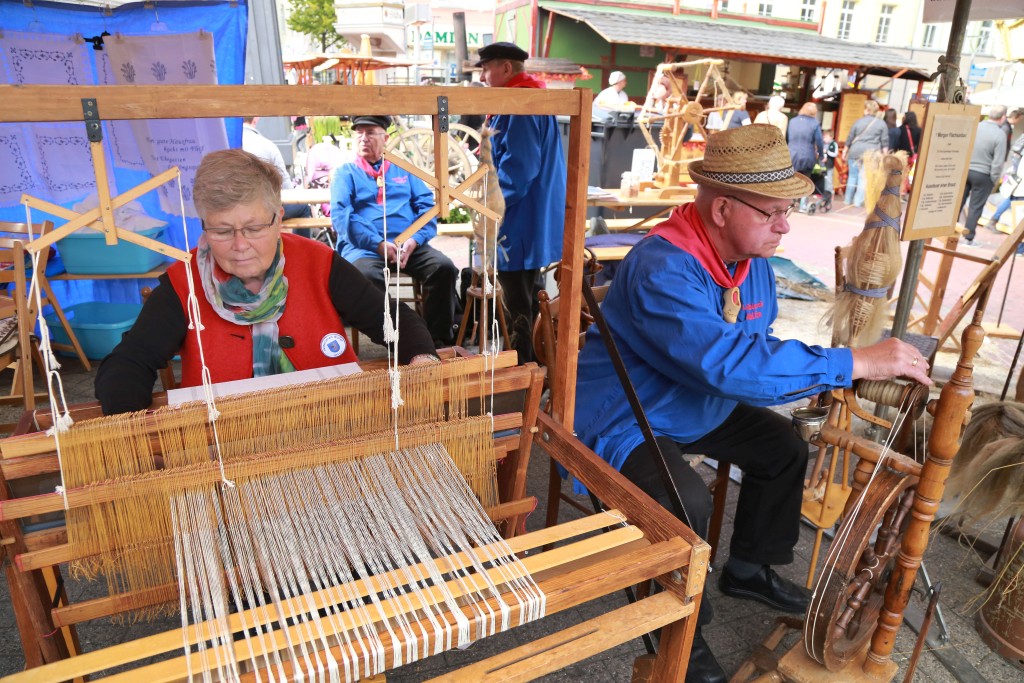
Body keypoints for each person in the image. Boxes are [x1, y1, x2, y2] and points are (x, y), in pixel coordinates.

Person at [572, 124, 932, 683]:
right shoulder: (662, 267)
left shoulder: (751, 260)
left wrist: (821, 372)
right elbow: (729, 364)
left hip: (696, 401)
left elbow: (751, 348)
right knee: (681, 503)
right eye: (773, 213)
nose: (784, 226)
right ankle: (678, 634)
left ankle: (746, 568)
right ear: (721, 210)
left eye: (788, 211)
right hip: (628, 412)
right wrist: (852, 362)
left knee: (783, 447)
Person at [95, 149, 437, 415]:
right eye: (222, 231)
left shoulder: (318, 263)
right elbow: (128, 363)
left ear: (278, 220)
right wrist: (130, 431)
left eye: (254, 228)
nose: (240, 245)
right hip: (225, 449)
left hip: (332, 428)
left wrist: (422, 360)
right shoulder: (184, 283)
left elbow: (394, 321)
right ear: (204, 226)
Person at [330, 115, 459, 348]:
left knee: (443, 268)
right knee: (366, 277)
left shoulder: (404, 170)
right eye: (359, 132)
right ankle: (397, 340)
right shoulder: (346, 173)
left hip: (408, 245)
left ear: (385, 138)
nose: (363, 138)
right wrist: (377, 243)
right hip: (364, 248)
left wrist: (414, 239)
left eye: (370, 132)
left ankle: (435, 339)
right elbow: (341, 216)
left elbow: (427, 208)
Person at [477, 41, 567, 364]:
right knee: (531, 296)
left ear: (506, 68)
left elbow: (519, 170)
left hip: (520, 219)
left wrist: (488, 205)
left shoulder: (521, 104)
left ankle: (525, 370)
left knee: (518, 303)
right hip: (531, 217)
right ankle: (538, 366)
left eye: (486, 69)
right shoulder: (528, 99)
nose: (483, 77)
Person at [242, 116, 311, 222]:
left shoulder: (226, 145)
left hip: (231, 209)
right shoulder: (267, 146)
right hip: (264, 208)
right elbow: (287, 187)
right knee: (303, 208)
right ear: (256, 118)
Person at [960, 104, 1008, 244]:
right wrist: (994, 179)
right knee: (975, 207)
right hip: (984, 174)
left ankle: (949, 232)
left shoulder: (976, 127)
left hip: (966, 170)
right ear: (1003, 117)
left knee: (957, 203)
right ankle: (968, 237)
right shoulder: (1000, 134)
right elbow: (998, 162)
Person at [843, 99, 886, 208]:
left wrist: (844, 151)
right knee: (864, 178)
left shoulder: (858, 122)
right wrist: (885, 156)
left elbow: (850, 137)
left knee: (852, 176)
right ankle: (857, 202)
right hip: (871, 153)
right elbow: (884, 142)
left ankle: (847, 200)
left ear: (867, 109)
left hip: (855, 151)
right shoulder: (881, 124)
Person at [786, 102, 824, 206]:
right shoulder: (815, 123)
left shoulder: (792, 121)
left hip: (792, 154)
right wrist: (821, 156)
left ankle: (790, 201)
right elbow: (819, 141)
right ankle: (803, 204)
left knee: (792, 178)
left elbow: (788, 137)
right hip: (808, 154)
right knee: (806, 179)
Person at [821, 129, 839, 198]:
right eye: (823, 137)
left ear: (831, 137)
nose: (824, 139)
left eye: (826, 137)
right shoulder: (824, 144)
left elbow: (835, 154)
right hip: (823, 165)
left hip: (829, 165)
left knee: (829, 180)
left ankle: (830, 193)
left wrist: (827, 152)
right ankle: (824, 193)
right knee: (824, 179)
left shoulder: (833, 144)